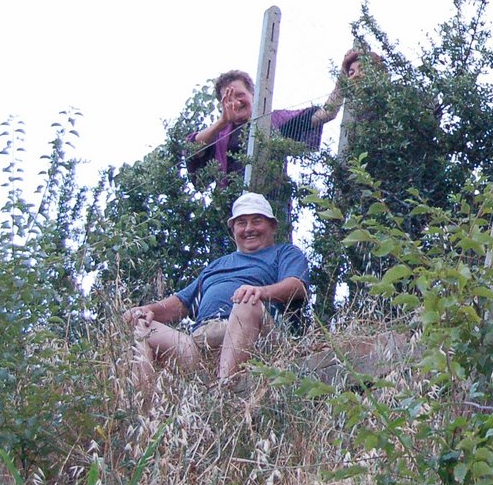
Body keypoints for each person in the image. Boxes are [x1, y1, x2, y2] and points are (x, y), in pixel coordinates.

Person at [122, 192, 310, 384]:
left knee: (247, 302)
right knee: (140, 328)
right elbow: (180, 304)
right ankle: (142, 409)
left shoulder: (285, 252)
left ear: (273, 226)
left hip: (254, 336)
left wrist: (260, 292)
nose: (249, 228)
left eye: (257, 221)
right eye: (241, 223)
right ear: (233, 230)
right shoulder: (216, 265)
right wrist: (147, 310)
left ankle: (224, 389)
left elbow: (297, 285)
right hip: (199, 344)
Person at [186, 60, 352, 181]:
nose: (235, 102)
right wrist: (223, 121)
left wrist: (343, 78)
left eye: (240, 95)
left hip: (271, 207)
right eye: (228, 98)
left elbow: (326, 114)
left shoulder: (276, 121)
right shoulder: (219, 133)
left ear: (254, 94)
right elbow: (192, 150)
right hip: (234, 214)